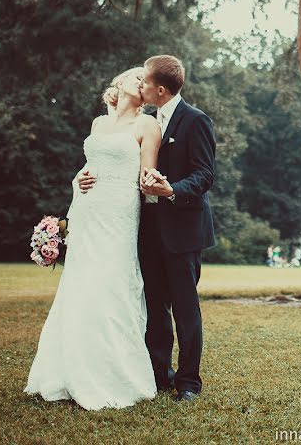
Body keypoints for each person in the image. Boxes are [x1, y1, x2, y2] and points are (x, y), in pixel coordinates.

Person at [77, 55, 217, 404]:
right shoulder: (148, 121)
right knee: (155, 306)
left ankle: (188, 382)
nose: (139, 86)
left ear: (158, 89)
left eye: (144, 82)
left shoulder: (195, 120)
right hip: (147, 227)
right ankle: (158, 373)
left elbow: (205, 175)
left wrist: (171, 190)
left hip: (183, 230)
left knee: (185, 308)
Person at [25, 67, 160, 410]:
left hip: (119, 213)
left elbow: (147, 179)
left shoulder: (147, 125)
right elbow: (88, 166)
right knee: (81, 284)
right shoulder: (99, 124)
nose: (142, 82)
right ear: (119, 85)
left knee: (110, 283)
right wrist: (78, 181)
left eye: (146, 80)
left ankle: (115, 374)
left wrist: (160, 192)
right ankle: (68, 370)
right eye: (137, 77)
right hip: (88, 210)